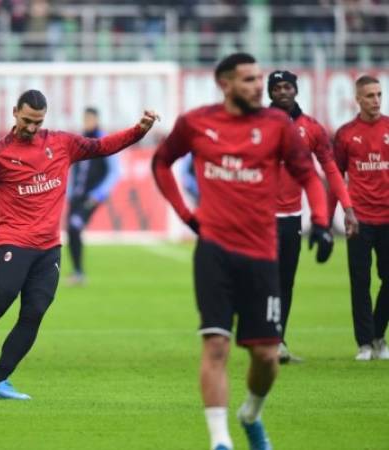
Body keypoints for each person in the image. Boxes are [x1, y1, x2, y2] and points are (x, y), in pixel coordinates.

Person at [0, 89, 158, 400]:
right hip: (14, 242)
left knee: (34, 312)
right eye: (27, 120)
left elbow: (102, 146)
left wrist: (139, 130)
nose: (31, 127)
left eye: (37, 122)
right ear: (15, 112)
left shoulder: (62, 143)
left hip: (49, 249)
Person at [152, 53, 330, 450]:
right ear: (225, 83)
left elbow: (308, 175)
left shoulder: (276, 126)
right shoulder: (197, 123)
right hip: (214, 250)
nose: (256, 85)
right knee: (216, 344)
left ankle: (250, 413)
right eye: (248, 79)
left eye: (258, 78)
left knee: (266, 356)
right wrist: (186, 215)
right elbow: (162, 162)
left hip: (261, 253)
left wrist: (320, 219)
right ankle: (220, 440)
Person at [268, 70, 359, 363]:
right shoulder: (257, 125)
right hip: (259, 218)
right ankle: (265, 338)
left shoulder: (312, 129)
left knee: (285, 282)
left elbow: (331, 170)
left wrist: (347, 207)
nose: (283, 92)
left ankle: (277, 342)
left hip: (292, 218)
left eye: (287, 87)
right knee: (261, 281)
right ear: (270, 93)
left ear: (296, 90)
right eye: (277, 87)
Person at [332, 75, 389, 361]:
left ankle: (378, 335)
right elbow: (335, 176)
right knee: (360, 281)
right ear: (357, 99)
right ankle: (365, 343)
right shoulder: (345, 134)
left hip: (388, 217)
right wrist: (329, 217)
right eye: (369, 96)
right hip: (360, 219)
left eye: (379, 94)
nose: (376, 100)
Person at [66, 107, 121, 285]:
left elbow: (114, 171)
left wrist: (99, 194)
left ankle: (79, 273)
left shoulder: (104, 139)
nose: (87, 122)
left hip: (91, 196)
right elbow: (72, 168)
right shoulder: (80, 139)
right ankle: (77, 272)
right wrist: (69, 192)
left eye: (90, 119)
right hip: (76, 196)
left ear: (96, 119)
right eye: (85, 118)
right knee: (71, 231)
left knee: (74, 226)